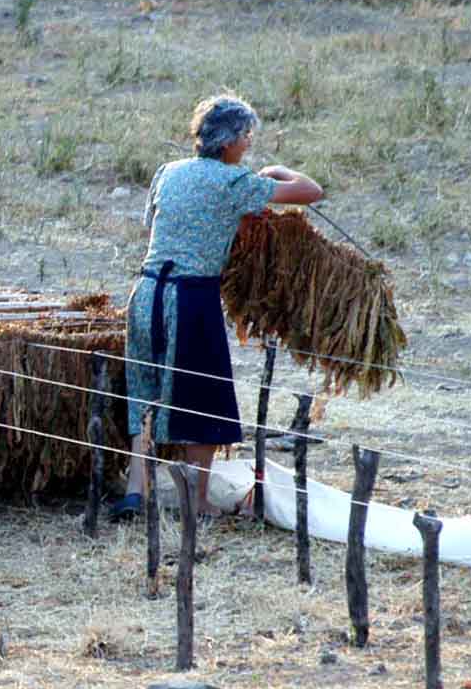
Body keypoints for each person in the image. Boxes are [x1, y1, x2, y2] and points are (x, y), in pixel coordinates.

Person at [109, 94, 322, 519]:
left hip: (147, 290)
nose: (248, 145)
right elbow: (311, 191)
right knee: (200, 397)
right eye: (247, 137)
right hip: (191, 297)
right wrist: (273, 173)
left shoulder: (167, 172)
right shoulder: (234, 181)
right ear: (231, 141)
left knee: (145, 390)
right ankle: (197, 501)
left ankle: (136, 490)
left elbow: (161, 224)